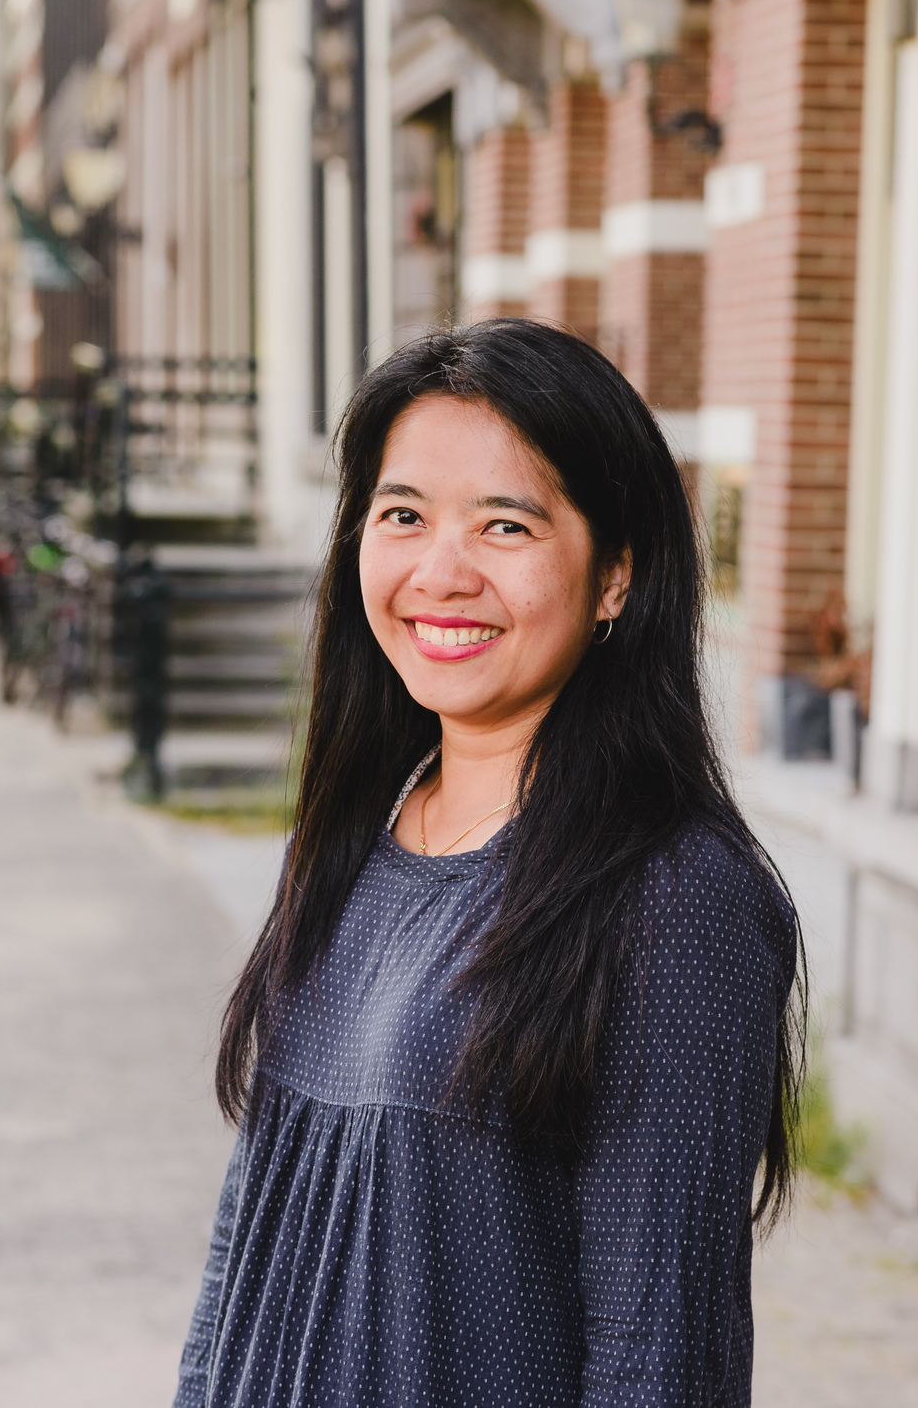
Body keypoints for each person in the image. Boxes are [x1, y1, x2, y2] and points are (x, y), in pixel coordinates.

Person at [173, 319, 802, 1408]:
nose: (440, 572)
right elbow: (247, 1250)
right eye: (402, 515)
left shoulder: (673, 898)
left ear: (615, 576)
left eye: (505, 525)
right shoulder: (348, 840)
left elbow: (664, 1355)